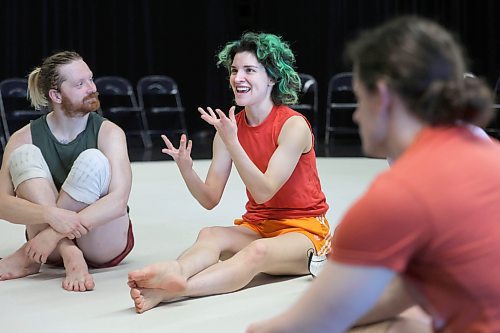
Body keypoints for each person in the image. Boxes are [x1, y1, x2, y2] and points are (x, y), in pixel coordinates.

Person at [246, 16, 500, 333]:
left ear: (382, 97)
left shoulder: (400, 194)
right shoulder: (488, 151)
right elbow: (413, 290)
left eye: (359, 98)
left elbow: (309, 323)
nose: (355, 114)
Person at [127, 32, 331, 313]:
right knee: (210, 234)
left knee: (257, 252)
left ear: (272, 77)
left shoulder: (293, 126)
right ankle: (176, 272)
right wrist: (187, 170)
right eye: (234, 70)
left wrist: (233, 140)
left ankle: (174, 290)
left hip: (304, 231)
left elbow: (264, 191)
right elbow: (210, 198)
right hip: (259, 226)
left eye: (249, 70)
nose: (238, 78)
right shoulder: (228, 128)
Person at [0, 51, 134, 292]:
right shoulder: (22, 138)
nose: (92, 88)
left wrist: (51, 233)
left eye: (91, 79)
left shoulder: (110, 132)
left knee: (92, 159)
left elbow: (118, 201)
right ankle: (70, 253)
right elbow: (2, 204)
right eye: (80, 84)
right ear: (56, 95)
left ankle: (35, 254)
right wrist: (51, 217)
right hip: (49, 250)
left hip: (98, 240)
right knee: (23, 156)